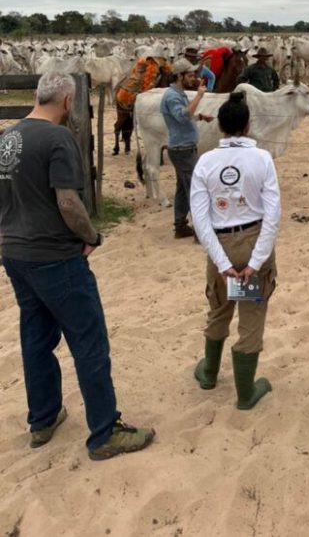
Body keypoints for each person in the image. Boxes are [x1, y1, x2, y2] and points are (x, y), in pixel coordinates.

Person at [0, 72, 155, 460]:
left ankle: (44, 419)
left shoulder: (7, 138)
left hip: (15, 254)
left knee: (36, 338)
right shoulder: (58, 138)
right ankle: (105, 432)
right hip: (55, 257)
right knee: (89, 342)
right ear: (68, 102)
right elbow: (68, 203)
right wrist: (91, 236)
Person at [190, 93, 280, 409]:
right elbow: (273, 215)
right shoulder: (262, 159)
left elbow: (199, 219)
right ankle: (245, 392)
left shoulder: (205, 161)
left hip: (221, 242)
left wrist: (222, 262)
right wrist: (254, 263)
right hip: (254, 238)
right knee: (251, 314)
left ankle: (209, 373)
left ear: (220, 126)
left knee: (219, 306)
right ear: (247, 124)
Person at [160, 58, 212, 239]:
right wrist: (199, 96)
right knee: (196, 189)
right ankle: (200, 232)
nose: (193, 78)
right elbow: (182, 116)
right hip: (182, 150)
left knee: (183, 189)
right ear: (179, 76)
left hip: (183, 148)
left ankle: (180, 226)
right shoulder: (172, 96)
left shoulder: (177, 93)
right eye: (189, 75)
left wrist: (199, 117)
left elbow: (183, 115)